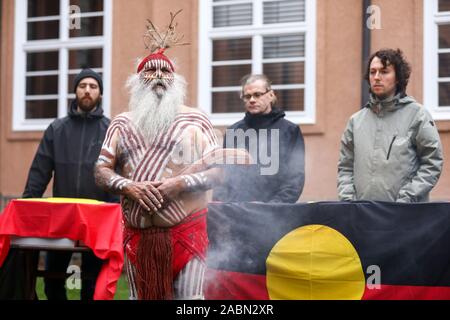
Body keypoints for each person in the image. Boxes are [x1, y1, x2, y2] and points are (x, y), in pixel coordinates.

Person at [93, 38, 248, 299]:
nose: (158, 76)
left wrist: (179, 184)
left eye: (165, 71)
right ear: (137, 80)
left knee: (190, 301)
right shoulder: (121, 123)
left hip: (187, 234)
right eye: (150, 71)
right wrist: (128, 187)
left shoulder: (196, 119)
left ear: (176, 80)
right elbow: (101, 170)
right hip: (138, 237)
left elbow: (219, 172)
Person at [21, 68, 118, 300]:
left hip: (97, 218)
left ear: (100, 94)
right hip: (62, 217)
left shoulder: (111, 130)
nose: (87, 90)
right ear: (75, 91)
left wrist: (116, 210)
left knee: (92, 281)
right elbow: (39, 172)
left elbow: (118, 174)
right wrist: (25, 206)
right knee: (52, 279)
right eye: (82, 85)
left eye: (93, 87)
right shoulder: (57, 129)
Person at [337, 48, 443, 202]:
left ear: (398, 77)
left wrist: (406, 199)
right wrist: (349, 202)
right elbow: (345, 167)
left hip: (404, 216)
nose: (377, 77)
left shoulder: (417, 115)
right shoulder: (356, 121)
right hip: (362, 216)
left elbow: (432, 163)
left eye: (384, 71)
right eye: (372, 72)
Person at [213, 74, 305, 203]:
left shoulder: (290, 131)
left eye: (257, 95)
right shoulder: (233, 132)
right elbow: (222, 176)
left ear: (271, 95)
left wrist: (272, 207)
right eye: (247, 96)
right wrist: (222, 206)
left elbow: (295, 180)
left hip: (275, 214)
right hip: (235, 212)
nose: (252, 100)